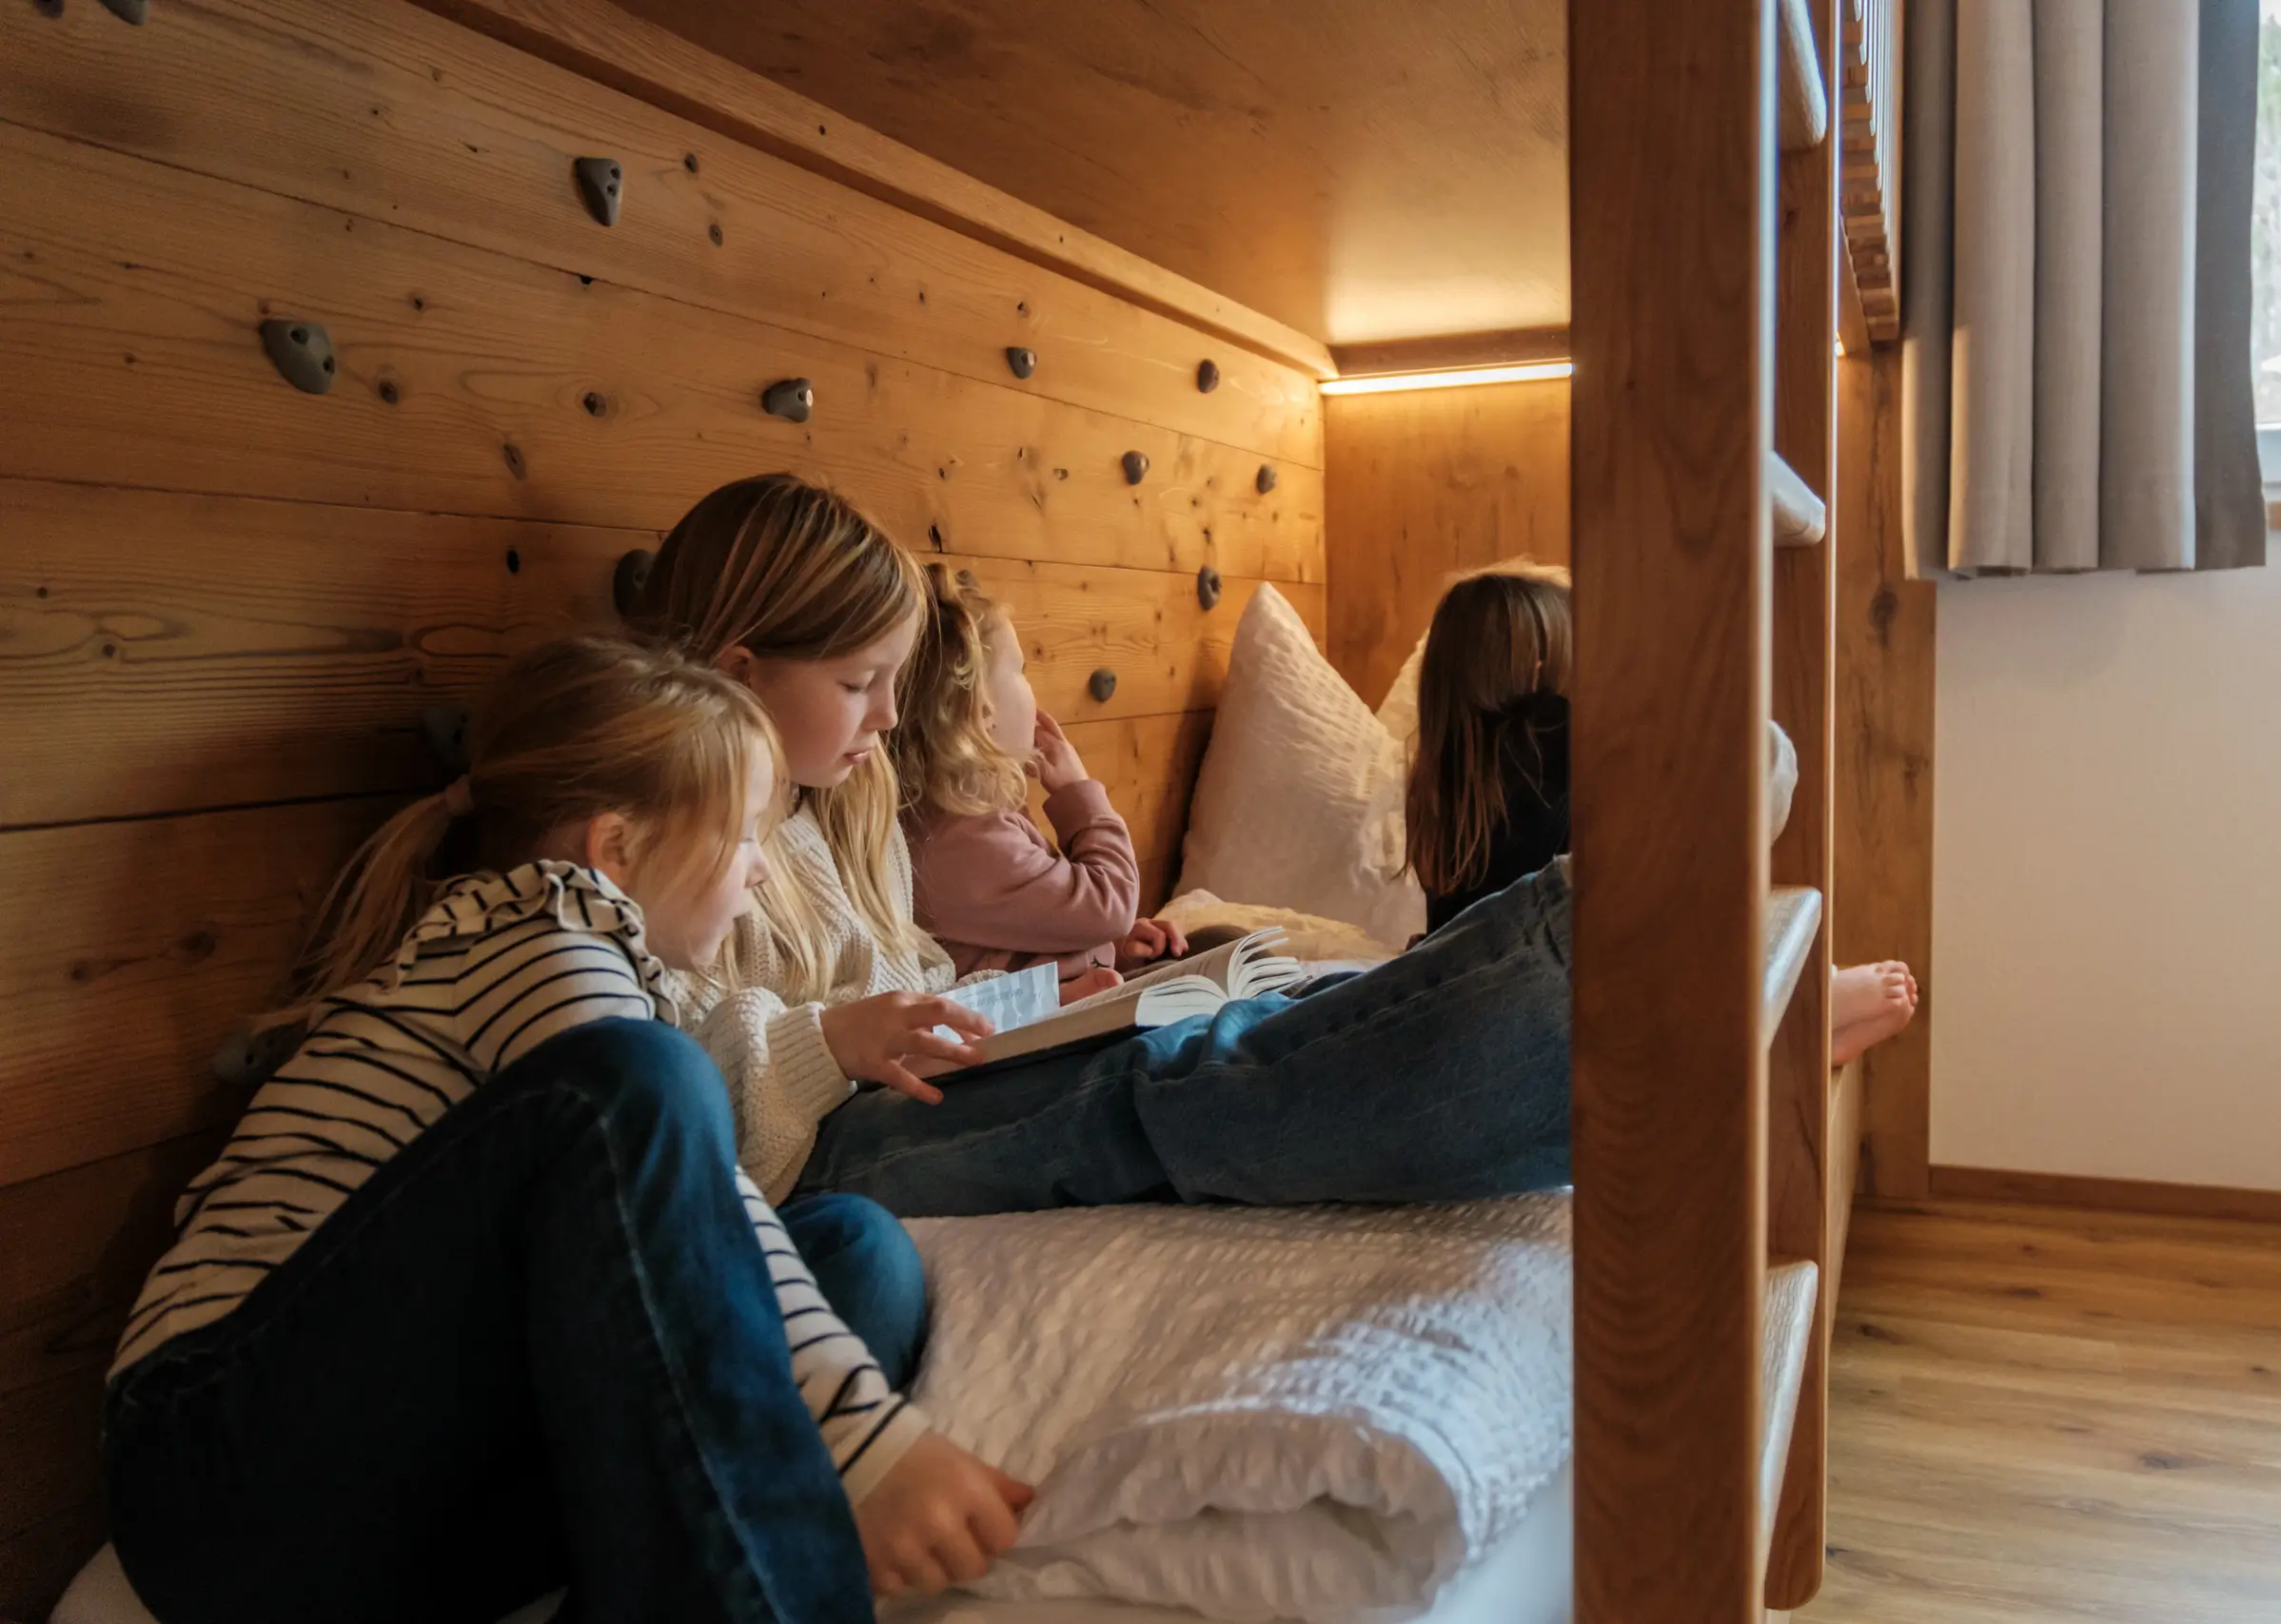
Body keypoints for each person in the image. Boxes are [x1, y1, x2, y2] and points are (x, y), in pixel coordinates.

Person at [104, 636, 1027, 1623]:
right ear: (616, 850)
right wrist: (863, 1436)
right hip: (219, 1464)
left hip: (417, 1483)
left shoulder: (594, 972)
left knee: (853, 1250)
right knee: (639, 1080)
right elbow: (691, 1177)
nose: (759, 874)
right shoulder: (530, 929)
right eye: (744, 837)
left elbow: (686, 1243)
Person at [629, 474, 1574, 1222]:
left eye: (892, 680)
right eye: (856, 682)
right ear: (739, 674)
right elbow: (657, 1089)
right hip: (824, 1151)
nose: (886, 714)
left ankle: (1536, 987)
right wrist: (832, 1042)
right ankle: (1543, 984)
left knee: (1227, 1007)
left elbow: (906, 982)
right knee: (1154, 1089)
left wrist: (1033, 1000)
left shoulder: (836, 798)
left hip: (913, 1083)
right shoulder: (667, 844)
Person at [1401, 565, 1917, 1065]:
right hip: (1571, 1002)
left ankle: (1788, 1027)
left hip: (1483, 1012)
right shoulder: (1546, 728)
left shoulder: (1443, 780)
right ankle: (1796, 1005)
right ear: (1540, 670)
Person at [895, 565, 1187, 984]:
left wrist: (1113, 948)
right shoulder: (965, 838)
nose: (1032, 692)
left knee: (1219, 942)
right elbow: (1110, 903)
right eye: (1022, 671)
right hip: (1036, 1035)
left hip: (1061, 1005)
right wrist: (1078, 795)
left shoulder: (968, 818)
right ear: (980, 713)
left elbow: (1029, 938)